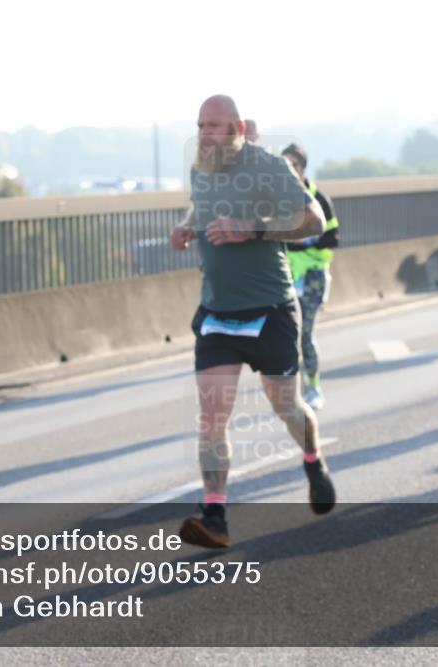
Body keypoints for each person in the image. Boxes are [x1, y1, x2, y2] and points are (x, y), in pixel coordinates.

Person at [169, 95, 335, 549]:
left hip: (270, 310)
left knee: (287, 407)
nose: (204, 134)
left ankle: (312, 459)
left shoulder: (268, 168)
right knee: (211, 417)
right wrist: (187, 226)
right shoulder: (200, 168)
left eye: (215, 126)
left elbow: (313, 219)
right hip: (218, 312)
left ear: (238, 127)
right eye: (200, 125)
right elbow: (201, 204)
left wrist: (254, 229)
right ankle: (215, 514)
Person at [281, 143, 340, 410]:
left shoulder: (319, 198)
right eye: (284, 165)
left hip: (314, 275)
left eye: (292, 165)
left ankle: (313, 387)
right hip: (288, 277)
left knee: (305, 333)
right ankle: (290, 393)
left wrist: (303, 242)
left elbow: (332, 238)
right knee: (287, 337)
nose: (288, 170)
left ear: (302, 168)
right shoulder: (279, 199)